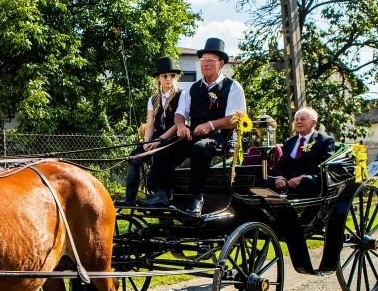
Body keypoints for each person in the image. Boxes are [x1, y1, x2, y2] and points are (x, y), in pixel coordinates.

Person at [137, 37, 247, 215]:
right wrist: (181, 127)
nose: (205, 64)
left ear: (221, 63)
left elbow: (235, 118)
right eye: (202, 60)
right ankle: (163, 193)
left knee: (199, 149)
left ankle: (197, 197)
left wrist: (210, 125)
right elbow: (180, 114)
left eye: (210, 60)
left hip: (219, 137)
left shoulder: (233, 87)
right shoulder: (193, 89)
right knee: (164, 148)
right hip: (193, 134)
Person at [116, 57, 183, 206]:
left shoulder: (181, 96)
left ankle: (162, 194)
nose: (168, 79)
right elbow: (150, 124)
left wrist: (159, 141)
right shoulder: (153, 99)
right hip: (155, 138)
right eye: (164, 75)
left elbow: (178, 124)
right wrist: (146, 142)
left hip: (173, 139)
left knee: (160, 153)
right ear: (158, 78)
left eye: (172, 75)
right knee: (134, 158)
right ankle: (129, 198)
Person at [267, 107, 335, 197]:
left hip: (311, 180)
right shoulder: (289, 142)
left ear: (313, 123)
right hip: (288, 180)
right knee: (265, 180)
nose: (298, 122)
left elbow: (324, 166)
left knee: (307, 181)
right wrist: (279, 177)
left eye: (302, 119)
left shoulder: (324, 141)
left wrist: (301, 177)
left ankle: (307, 210)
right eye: (296, 119)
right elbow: (282, 164)